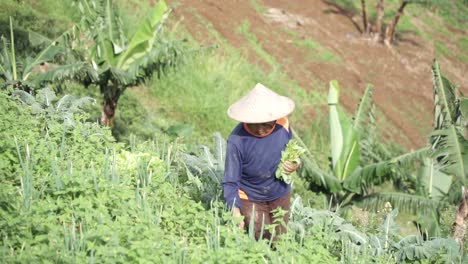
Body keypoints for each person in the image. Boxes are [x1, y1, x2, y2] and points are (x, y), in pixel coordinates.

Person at [222, 83, 300, 241]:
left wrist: (295, 164)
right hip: (250, 197)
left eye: (266, 124)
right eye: (255, 125)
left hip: (280, 193)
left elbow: (292, 152)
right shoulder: (237, 141)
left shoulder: (283, 125)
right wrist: (235, 209)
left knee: (280, 239)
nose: (261, 130)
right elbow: (230, 181)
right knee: (262, 237)